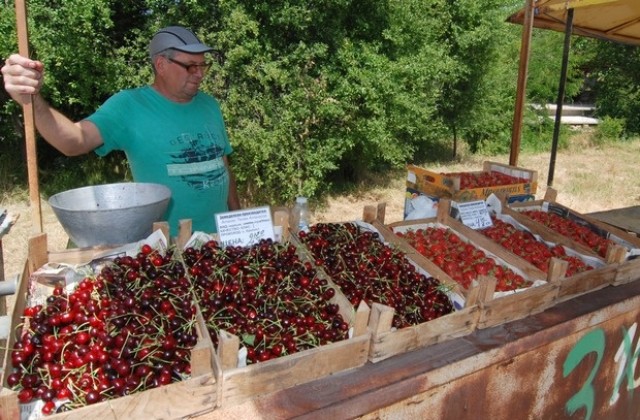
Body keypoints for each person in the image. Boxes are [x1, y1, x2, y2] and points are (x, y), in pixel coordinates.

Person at [1, 25, 240, 236]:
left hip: (220, 239)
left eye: (203, 66)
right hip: (167, 247)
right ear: (161, 65)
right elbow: (74, 141)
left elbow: (222, 163)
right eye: (191, 66)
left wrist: (237, 217)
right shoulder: (129, 106)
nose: (200, 74)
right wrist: (32, 100)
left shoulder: (209, 105)